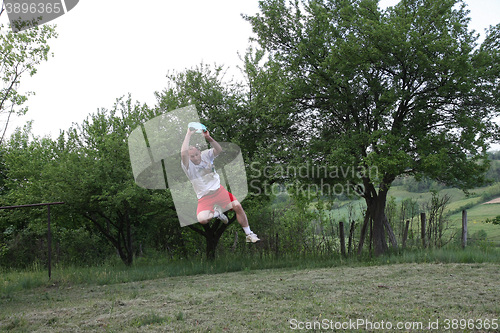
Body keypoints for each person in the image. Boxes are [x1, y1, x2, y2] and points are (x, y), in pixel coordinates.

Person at [181, 126, 260, 243]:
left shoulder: (206, 155)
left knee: (237, 206)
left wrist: (208, 138)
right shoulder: (187, 165)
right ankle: (217, 212)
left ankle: (249, 234)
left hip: (219, 191)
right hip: (204, 197)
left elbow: (218, 150)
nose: (195, 158)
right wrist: (188, 134)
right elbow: (183, 154)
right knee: (202, 220)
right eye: (192, 156)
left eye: (197, 155)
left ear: (200, 152)